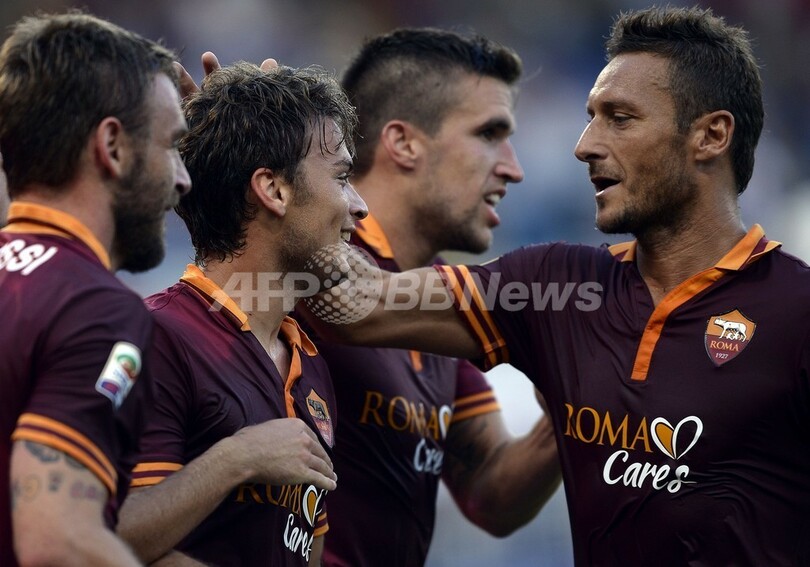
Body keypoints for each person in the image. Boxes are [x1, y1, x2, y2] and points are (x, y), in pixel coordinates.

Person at [305, 6, 810, 565]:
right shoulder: (557, 286)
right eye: (592, 117)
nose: (584, 144)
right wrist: (269, 153)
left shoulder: (796, 311)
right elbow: (354, 301)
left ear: (711, 136)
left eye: (620, 118)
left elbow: (494, 494)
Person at [293, 28, 560, 567]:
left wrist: (585, 387)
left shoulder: (431, 293)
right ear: (404, 143)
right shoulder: (298, 258)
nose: (513, 167)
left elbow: (490, 492)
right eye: (489, 134)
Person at [116, 61, 368, 566]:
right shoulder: (159, 336)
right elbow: (97, 539)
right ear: (273, 189)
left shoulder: (310, 365)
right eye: (342, 177)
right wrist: (235, 459)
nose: (359, 205)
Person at [0, 11, 191, 566]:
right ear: (113, 145)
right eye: (172, 146)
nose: (183, 178)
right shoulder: (95, 309)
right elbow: (60, 542)